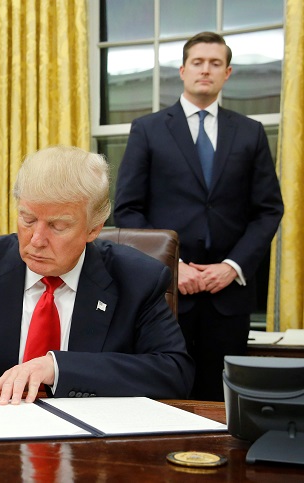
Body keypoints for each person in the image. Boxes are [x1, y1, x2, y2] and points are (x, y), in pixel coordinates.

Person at [0, 145, 194, 403]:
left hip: (89, 446)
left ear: (94, 229)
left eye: (58, 226)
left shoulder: (138, 279)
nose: (37, 239)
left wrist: (57, 367)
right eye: (28, 219)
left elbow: (174, 371)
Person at [114, 32, 284, 401]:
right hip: (164, 296)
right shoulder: (148, 129)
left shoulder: (250, 133)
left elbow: (268, 209)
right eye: (198, 62)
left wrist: (232, 267)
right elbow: (127, 209)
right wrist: (173, 267)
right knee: (163, 397)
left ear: (227, 73)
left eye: (215, 63)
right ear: (183, 70)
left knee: (223, 402)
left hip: (229, 298)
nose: (206, 69)